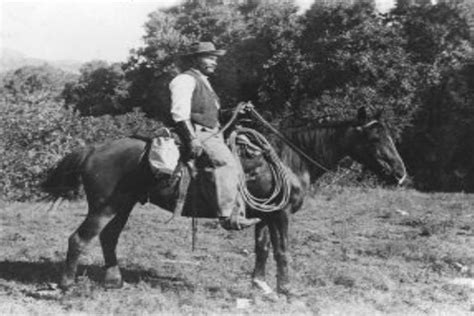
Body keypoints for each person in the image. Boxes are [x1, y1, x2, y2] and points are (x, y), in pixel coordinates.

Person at [169, 41, 260, 231]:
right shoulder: (185, 80)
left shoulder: (204, 81)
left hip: (213, 132)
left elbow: (210, 115)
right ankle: (227, 216)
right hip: (199, 132)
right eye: (209, 57)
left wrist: (237, 110)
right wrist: (192, 139)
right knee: (225, 163)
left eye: (215, 58)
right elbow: (179, 113)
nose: (214, 62)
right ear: (195, 59)